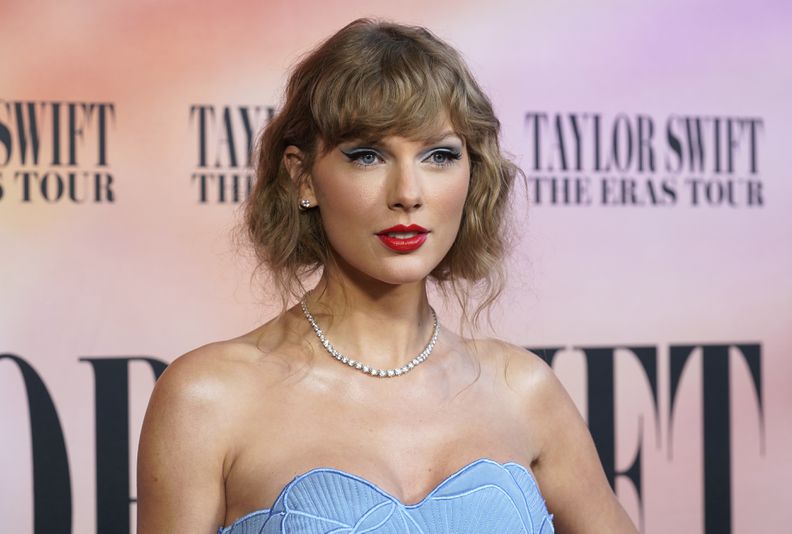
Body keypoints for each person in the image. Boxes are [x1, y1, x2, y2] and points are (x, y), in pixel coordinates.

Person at [137, 18, 637, 534]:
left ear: (472, 173)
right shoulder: (208, 398)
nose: (408, 193)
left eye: (439, 155)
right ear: (302, 175)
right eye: (368, 155)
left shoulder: (522, 389)